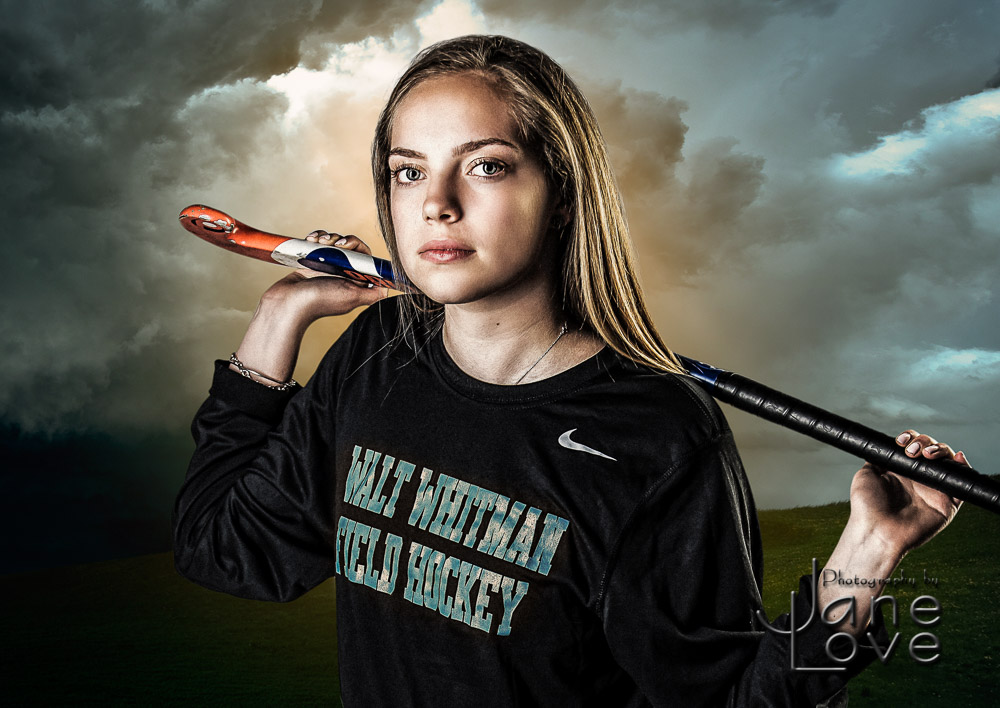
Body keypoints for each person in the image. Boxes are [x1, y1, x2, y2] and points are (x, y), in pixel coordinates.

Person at [173, 35, 967, 706]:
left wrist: (867, 552)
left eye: (485, 166)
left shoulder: (656, 435)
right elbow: (227, 547)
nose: (435, 205)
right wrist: (282, 315)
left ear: (560, 191)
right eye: (408, 170)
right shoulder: (381, 353)